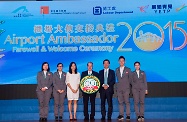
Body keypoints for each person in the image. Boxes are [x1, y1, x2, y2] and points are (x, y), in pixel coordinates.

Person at [115, 56, 132, 121]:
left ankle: (128, 115)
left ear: (125, 62)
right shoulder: (116, 69)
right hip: (119, 88)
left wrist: (129, 87)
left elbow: (130, 80)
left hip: (126, 88)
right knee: (120, 102)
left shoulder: (128, 69)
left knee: (127, 102)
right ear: (118, 62)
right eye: (120, 61)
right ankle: (121, 115)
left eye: (122, 61)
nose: (121, 62)